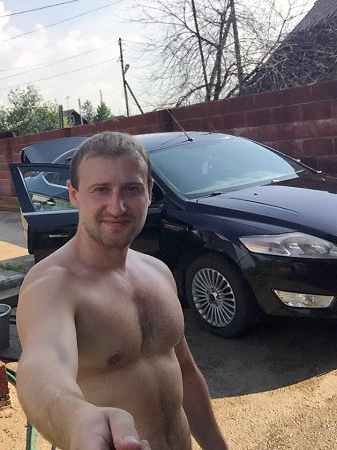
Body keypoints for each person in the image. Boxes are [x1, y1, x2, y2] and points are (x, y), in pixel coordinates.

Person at [15, 131, 228, 450]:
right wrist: (76, 421)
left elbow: (184, 371)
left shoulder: (158, 272)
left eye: (131, 188)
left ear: (149, 191)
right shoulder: (52, 285)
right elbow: (43, 365)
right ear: (74, 194)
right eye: (101, 190)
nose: (117, 207)